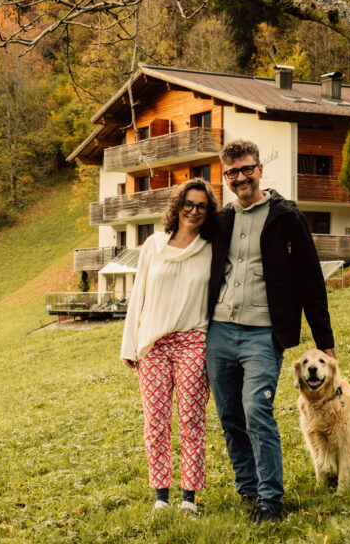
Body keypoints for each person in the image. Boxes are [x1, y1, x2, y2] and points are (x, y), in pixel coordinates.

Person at [206, 140, 337, 522]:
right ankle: (248, 490)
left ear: (260, 169)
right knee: (230, 415)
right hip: (219, 332)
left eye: (247, 169)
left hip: (263, 333)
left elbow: (312, 281)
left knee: (256, 410)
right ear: (225, 177)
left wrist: (324, 342)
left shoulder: (286, 217)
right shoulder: (222, 220)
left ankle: (270, 500)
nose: (241, 177)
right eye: (232, 172)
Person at [120, 178, 219, 515]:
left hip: (194, 342)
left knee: (192, 422)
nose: (194, 211)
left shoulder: (210, 248)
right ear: (177, 206)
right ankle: (161, 497)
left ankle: (188, 499)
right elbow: (139, 296)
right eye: (188, 204)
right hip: (154, 345)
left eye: (201, 206)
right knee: (156, 422)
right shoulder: (153, 245)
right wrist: (130, 345)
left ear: (208, 212)